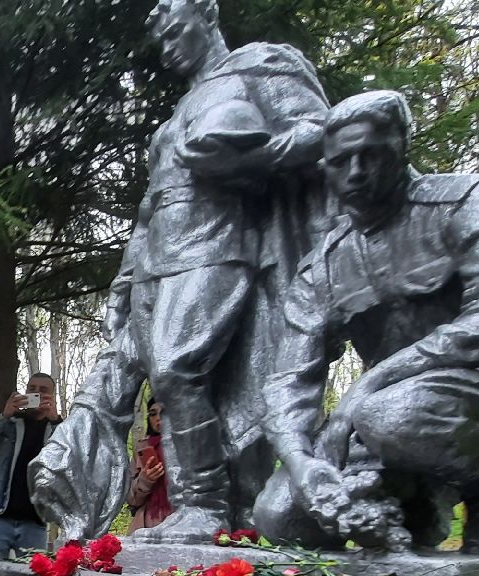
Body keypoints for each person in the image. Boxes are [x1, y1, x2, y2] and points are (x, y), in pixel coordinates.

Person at [31, 0, 327, 541]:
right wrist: (124, 281)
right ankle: (229, 514)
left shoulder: (259, 66)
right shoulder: (173, 119)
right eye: (160, 39)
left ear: (207, 16)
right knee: (167, 380)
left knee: (175, 367)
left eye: (175, 32)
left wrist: (248, 158)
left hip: (222, 242)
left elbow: (321, 132)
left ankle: (204, 505)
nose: (167, 48)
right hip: (159, 255)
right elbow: (148, 210)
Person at [255, 91, 479, 554]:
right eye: (339, 162)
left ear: (403, 146)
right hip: (378, 418)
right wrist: (301, 463)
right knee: (283, 516)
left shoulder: (469, 201)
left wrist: (370, 386)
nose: (355, 173)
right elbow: (288, 379)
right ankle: (415, 504)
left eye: (370, 155)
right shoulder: (325, 265)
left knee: (389, 414)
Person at [0, 373, 61, 563]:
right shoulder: (8, 424)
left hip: (35, 523)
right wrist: (4, 416)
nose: (36, 393)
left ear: (52, 397)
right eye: (32, 389)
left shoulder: (58, 431)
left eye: (43, 391)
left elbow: (71, 465)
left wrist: (55, 421)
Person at [126, 400, 171, 531]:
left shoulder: (188, 445)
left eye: (163, 413)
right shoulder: (142, 448)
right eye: (153, 414)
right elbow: (131, 499)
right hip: (147, 523)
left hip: (179, 519)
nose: (158, 418)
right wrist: (145, 480)